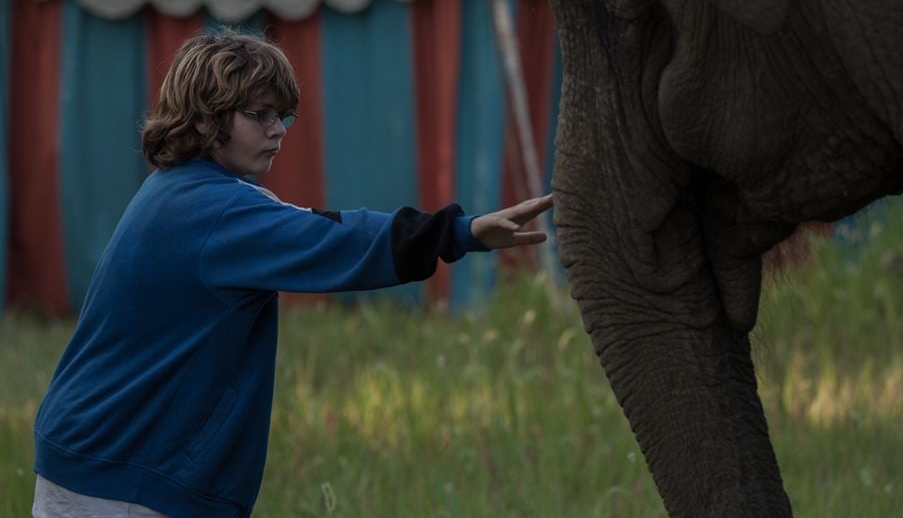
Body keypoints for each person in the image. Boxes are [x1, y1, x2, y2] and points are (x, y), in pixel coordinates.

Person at [31, 30, 554, 518]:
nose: (278, 130)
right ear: (204, 119)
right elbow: (337, 241)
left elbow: (319, 227)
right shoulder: (215, 211)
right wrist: (462, 232)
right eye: (260, 114)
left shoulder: (181, 190)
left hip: (98, 454)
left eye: (283, 115)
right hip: (123, 475)